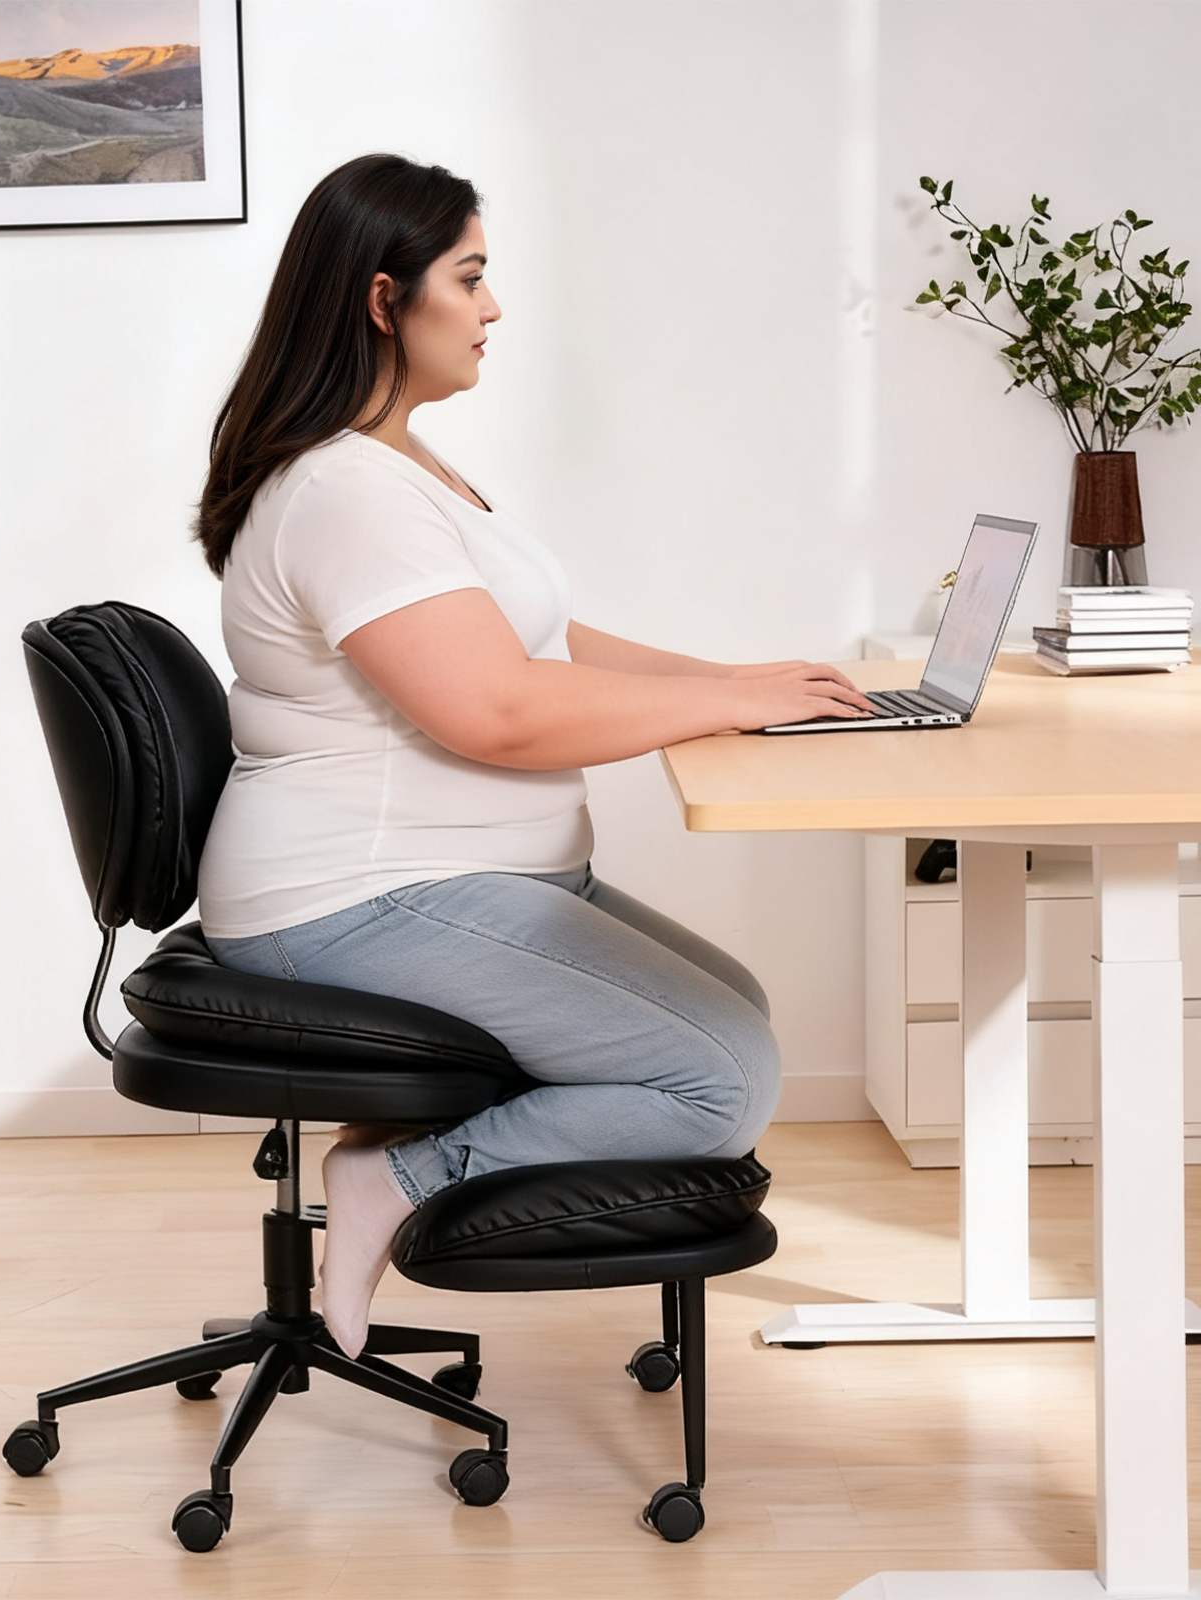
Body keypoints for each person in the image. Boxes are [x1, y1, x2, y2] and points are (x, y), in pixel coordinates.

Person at [194, 154, 872, 1359]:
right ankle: (396, 1175)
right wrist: (723, 709)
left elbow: (544, 641)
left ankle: (410, 1161)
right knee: (720, 1077)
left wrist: (739, 684)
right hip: (354, 893)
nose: (494, 307)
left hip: (439, 877)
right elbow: (496, 712)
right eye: (471, 276)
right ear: (384, 299)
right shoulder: (346, 491)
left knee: (734, 1014)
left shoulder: (404, 465)